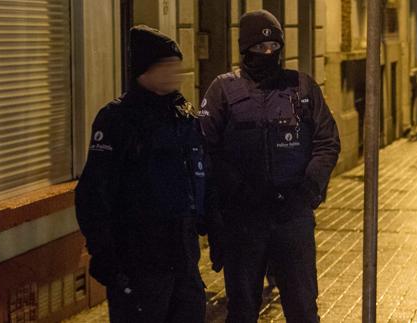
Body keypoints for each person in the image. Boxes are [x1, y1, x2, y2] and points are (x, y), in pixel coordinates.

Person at [200, 10, 340, 323]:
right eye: (260, 49)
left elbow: (326, 141)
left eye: (273, 48)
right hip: (244, 221)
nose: (267, 54)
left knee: (303, 308)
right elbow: (206, 149)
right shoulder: (223, 90)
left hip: (292, 218)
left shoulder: (302, 88)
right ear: (245, 49)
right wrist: (229, 197)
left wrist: (309, 189)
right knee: (242, 310)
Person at [75, 25, 206, 323]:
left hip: (183, 260)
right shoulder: (117, 119)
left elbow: (200, 173)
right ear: (144, 71)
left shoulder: (184, 115)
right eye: (167, 66)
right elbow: (93, 191)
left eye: (177, 65)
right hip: (138, 260)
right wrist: (102, 250)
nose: (176, 73)